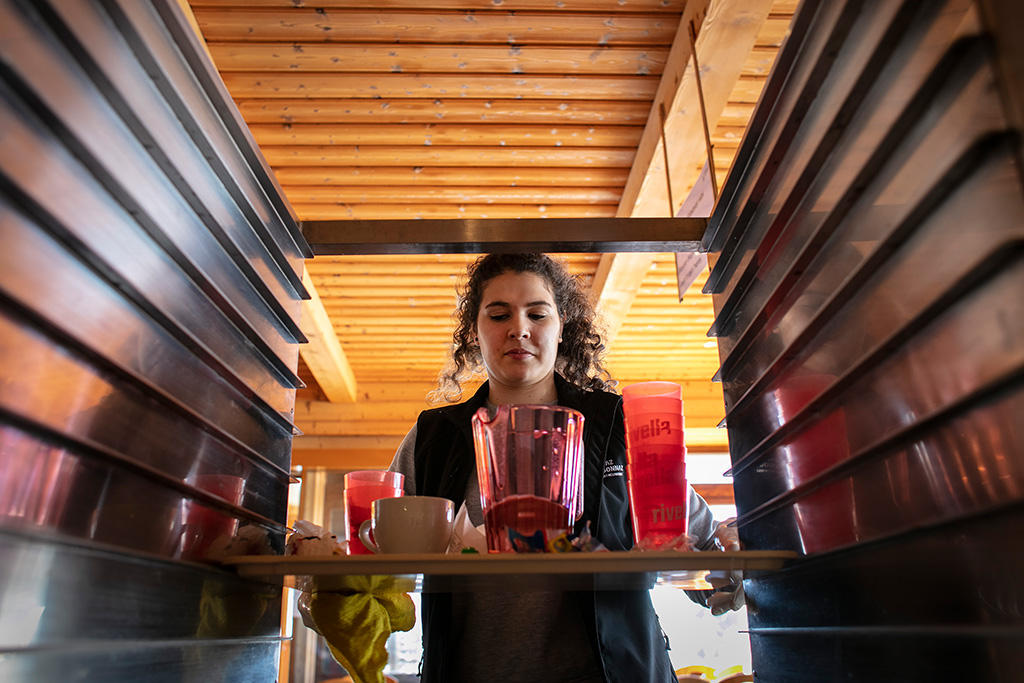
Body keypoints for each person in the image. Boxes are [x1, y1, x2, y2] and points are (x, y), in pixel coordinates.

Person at [389, 253, 739, 683]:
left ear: (562, 324)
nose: (519, 328)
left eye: (537, 313)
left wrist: (733, 565)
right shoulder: (434, 437)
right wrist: (338, 592)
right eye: (499, 314)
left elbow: (702, 549)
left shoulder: (617, 424)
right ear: (473, 329)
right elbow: (376, 557)